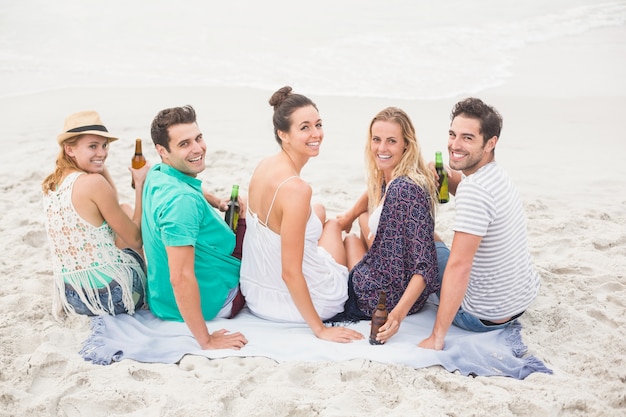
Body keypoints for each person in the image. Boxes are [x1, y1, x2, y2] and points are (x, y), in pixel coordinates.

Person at [240, 86, 363, 343]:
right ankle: (342, 226)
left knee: (318, 210)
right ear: (283, 134)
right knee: (331, 226)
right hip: (296, 303)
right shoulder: (296, 189)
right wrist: (320, 329)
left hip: (256, 293)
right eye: (304, 127)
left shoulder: (264, 165)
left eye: (318, 124)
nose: (316, 134)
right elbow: (290, 273)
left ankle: (339, 223)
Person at [419, 97, 540, 351]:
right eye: (452, 134)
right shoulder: (496, 175)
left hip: (480, 316)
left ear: (490, 143)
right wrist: (448, 181)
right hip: (517, 304)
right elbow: (474, 195)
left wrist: (437, 337)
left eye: (467, 138)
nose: (455, 145)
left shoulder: (474, 191)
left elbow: (459, 266)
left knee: (429, 240)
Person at [142, 105, 248, 350]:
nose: (198, 148)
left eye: (198, 138)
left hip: (162, 298)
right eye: (184, 144)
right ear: (163, 151)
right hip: (217, 299)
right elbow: (180, 278)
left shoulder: (157, 173)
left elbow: (193, 187)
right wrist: (207, 340)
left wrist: (217, 201)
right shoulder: (181, 203)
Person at [334, 107, 441, 344]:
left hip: (382, 296)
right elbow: (371, 194)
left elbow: (426, 265)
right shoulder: (391, 175)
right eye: (376, 140)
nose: (381, 149)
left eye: (391, 141)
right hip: (387, 273)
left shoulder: (405, 189)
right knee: (351, 235)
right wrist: (350, 215)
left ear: (406, 144)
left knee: (332, 228)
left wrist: (396, 316)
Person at [42, 110, 150, 317]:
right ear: (70, 149)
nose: (102, 153)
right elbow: (136, 240)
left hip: (74, 299)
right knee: (130, 215)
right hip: (113, 298)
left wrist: (96, 162)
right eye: (93, 146)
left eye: (104, 146)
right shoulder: (92, 183)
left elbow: (112, 203)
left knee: (123, 210)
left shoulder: (53, 183)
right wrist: (140, 184)